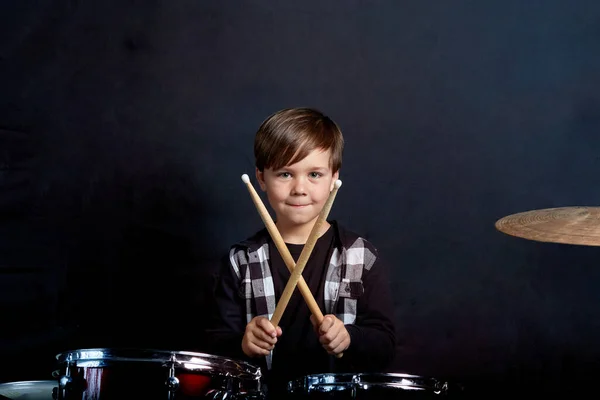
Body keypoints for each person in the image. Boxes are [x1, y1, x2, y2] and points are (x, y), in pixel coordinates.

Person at [207, 107, 396, 399]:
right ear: (261, 178)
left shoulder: (361, 256)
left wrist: (349, 338)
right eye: (285, 173)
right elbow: (213, 348)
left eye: (314, 174)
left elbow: (384, 346)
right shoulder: (240, 261)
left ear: (334, 177)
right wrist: (243, 343)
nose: (299, 189)